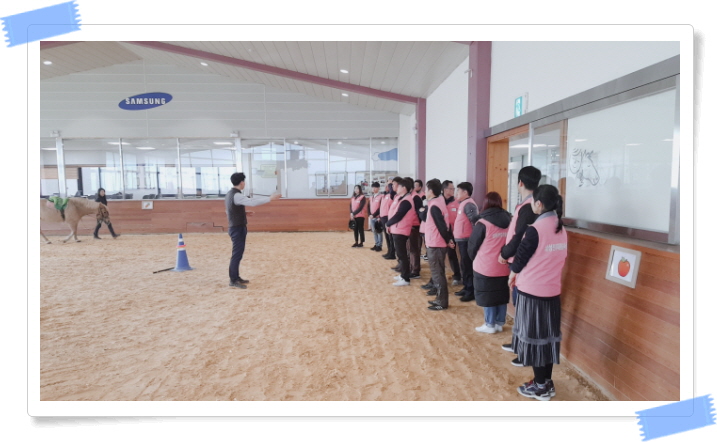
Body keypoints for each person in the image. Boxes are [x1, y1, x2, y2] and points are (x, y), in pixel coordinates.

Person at [509, 185, 567, 401]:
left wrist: (512, 275)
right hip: (552, 292)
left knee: (534, 340)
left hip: (533, 292)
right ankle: (546, 381)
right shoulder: (560, 228)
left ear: (539, 204)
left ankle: (541, 385)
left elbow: (520, 258)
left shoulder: (536, 229)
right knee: (547, 339)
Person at [498, 165, 542, 364]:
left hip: (520, 262)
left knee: (522, 306)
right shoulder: (528, 205)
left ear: (520, 183)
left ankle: (524, 350)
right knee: (518, 305)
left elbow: (519, 237)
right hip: (519, 261)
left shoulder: (528, 207)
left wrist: (504, 253)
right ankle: (517, 342)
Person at [225, 172, 281, 289]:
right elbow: (252, 202)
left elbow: (230, 210)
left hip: (235, 227)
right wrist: (269, 198)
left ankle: (236, 277)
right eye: (244, 181)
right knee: (237, 255)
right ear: (242, 182)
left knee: (238, 254)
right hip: (237, 228)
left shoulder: (230, 194)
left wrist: (244, 213)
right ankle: (233, 280)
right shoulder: (237, 195)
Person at [466, 192, 511, 333]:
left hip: (485, 266)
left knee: (488, 295)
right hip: (504, 265)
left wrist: (474, 258)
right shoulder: (510, 220)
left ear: (485, 204)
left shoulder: (483, 223)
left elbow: (472, 245)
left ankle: (489, 324)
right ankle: (499, 323)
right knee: (501, 294)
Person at [420, 179, 455, 311]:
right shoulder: (438, 202)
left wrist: (448, 239)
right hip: (437, 242)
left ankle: (442, 301)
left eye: (426, 189)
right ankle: (439, 298)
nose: (425, 191)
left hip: (436, 243)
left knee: (437, 273)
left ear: (430, 191)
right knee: (438, 272)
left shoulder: (435, 205)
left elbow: (441, 225)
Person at [385, 178, 418, 287]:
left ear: (404, 188)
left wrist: (388, 223)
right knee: (400, 254)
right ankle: (403, 274)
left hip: (401, 230)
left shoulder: (406, 201)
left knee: (402, 254)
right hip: (397, 229)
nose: (396, 188)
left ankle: (405, 278)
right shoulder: (402, 198)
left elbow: (399, 215)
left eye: (398, 186)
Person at [452, 182, 479, 301]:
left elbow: (475, 222)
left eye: (458, 191)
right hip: (462, 240)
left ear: (465, 192)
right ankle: (466, 286)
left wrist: (474, 240)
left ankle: (470, 291)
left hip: (467, 240)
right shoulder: (463, 203)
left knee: (467, 265)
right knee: (464, 264)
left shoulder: (469, 204)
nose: (456, 193)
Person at [380, 180, 396, 259]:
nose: (386, 187)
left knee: (390, 236)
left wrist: (390, 184)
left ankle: (392, 253)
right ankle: (389, 251)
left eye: (388, 186)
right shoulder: (384, 195)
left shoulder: (392, 195)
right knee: (386, 236)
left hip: (388, 217)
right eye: (385, 186)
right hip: (383, 217)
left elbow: (392, 191)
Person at [368, 182, 384, 252]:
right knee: (374, 231)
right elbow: (368, 206)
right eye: (373, 188)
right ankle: (376, 244)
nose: (374, 189)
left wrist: (374, 215)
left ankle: (379, 245)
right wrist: (369, 214)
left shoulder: (381, 196)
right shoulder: (371, 197)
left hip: (378, 217)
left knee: (379, 231)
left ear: (378, 188)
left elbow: (380, 208)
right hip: (372, 217)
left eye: (375, 188)